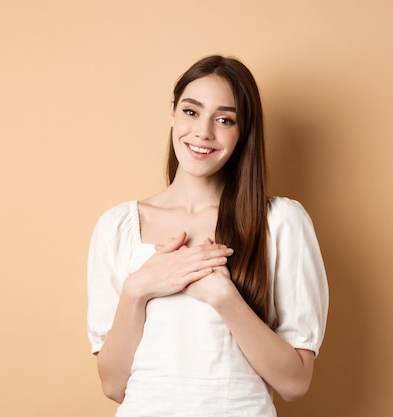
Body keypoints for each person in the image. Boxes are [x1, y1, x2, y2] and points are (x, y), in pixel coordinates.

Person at [87, 55, 329, 416]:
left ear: (243, 130)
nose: (203, 132)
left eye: (224, 119)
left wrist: (223, 297)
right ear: (172, 111)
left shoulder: (280, 223)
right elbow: (113, 385)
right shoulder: (118, 227)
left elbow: (295, 383)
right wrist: (139, 288)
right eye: (191, 111)